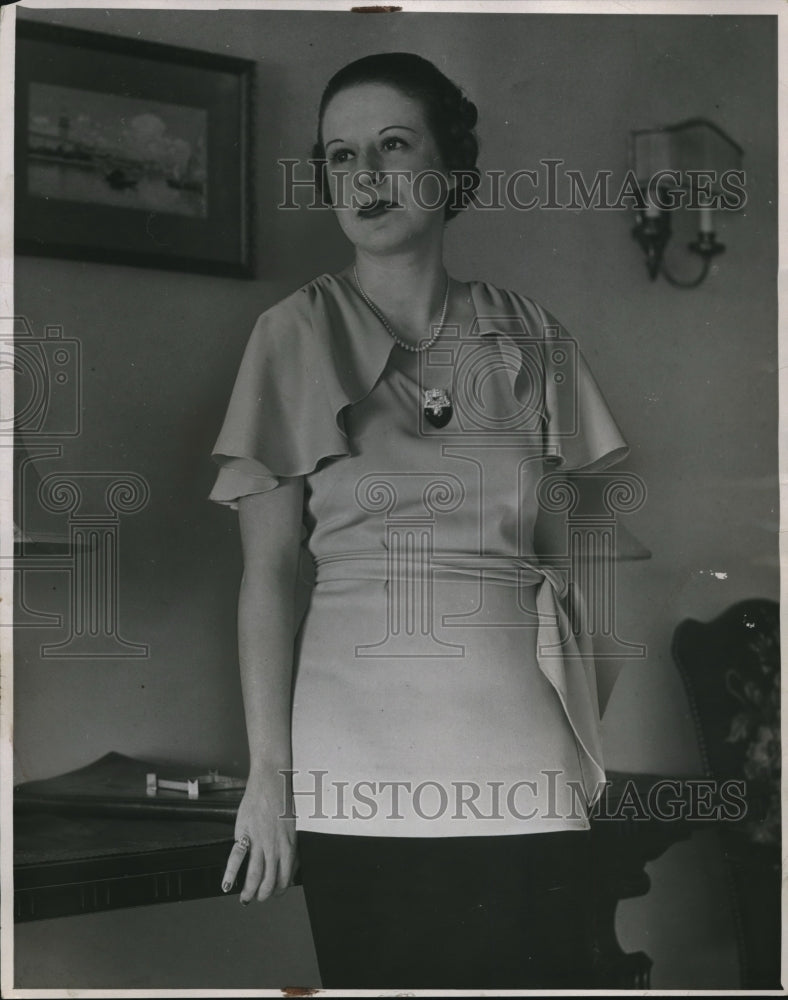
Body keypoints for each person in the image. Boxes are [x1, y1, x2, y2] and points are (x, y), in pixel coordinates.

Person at [209, 52, 630, 989]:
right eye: (341, 155)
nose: (365, 176)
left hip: (523, 761)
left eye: (393, 146)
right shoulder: (293, 335)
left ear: (450, 167)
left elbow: (574, 570)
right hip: (355, 766)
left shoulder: (530, 336)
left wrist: (578, 731)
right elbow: (267, 578)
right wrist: (269, 779)